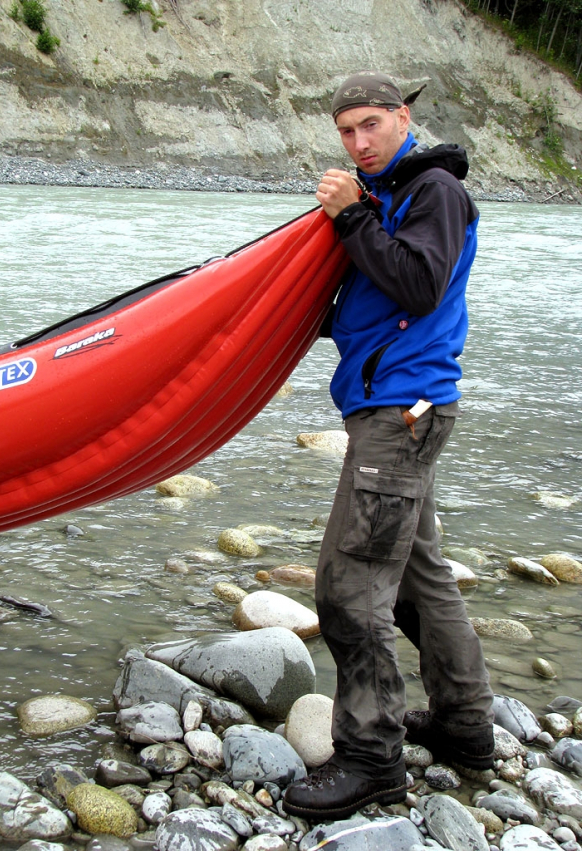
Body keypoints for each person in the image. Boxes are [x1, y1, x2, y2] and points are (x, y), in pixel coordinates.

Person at [282, 71, 495, 823]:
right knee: (419, 579)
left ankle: (371, 759)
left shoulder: (433, 190)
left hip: (399, 415)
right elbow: (363, 300)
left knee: (351, 585)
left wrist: (348, 221)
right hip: (403, 409)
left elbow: (419, 285)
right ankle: (467, 729)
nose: (358, 142)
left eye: (370, 125)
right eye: (345, 131)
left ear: (403, 118)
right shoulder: (391, 196)